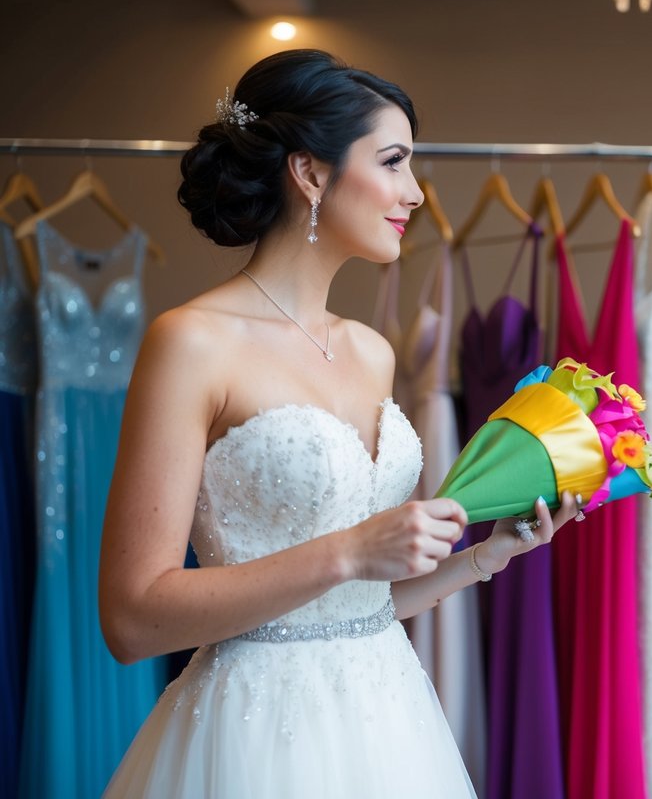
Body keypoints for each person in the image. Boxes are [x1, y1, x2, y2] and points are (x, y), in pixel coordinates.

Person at [98, 48, 579, 797]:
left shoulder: (371, 352)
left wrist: (484, 557)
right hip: (251, 739)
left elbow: (353, 607)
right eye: (393, 163)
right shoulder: (190, 343)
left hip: (386, 720)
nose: (415, 194)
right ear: (311, 173)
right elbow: (131, 620)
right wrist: (351, 549)